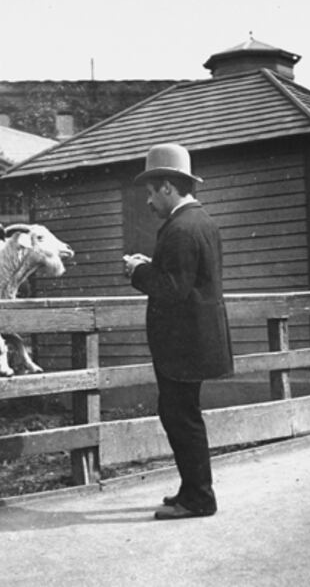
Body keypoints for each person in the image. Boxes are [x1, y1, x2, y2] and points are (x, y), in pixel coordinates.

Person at [123, 142, 233, 520]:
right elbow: (183, 277)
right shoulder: (199, 222)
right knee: (180, 414)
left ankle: (199, 498)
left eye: (152, 192)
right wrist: (152, 265)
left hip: (183, 346)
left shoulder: (181, 229)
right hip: (196, 341)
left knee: (181, 416)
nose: (150, 202)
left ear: (168, 187)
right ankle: (191, 489)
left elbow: (172, 289)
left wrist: (137, 272)